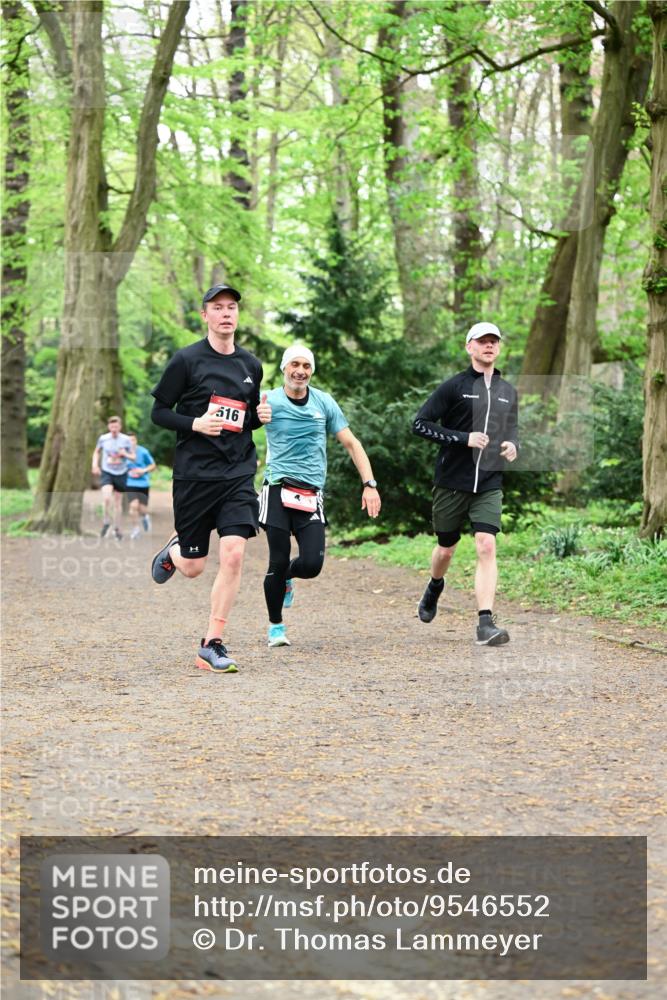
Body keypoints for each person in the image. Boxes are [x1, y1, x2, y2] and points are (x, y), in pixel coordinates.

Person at [149, 283, 272, 674]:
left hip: (236, 473)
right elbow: (159, 413)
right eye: (217, 307)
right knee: (193, 567)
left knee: (234, 553)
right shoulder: (186, 361)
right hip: (195, 475)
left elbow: (244, 419)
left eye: (231, 307)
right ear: (205, 315)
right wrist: (196, 423)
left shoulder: (250, 365)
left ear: (237, 315)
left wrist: (259, 418)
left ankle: (211, 642)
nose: (225, 313)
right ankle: (173, 552)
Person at [259, 344, 381, 648]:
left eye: (307, 366)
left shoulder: (323, 402)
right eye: (295, 365)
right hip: (276, 487)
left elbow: (352, 444)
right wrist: (254, 418)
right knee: (277, 557)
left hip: (310, 492)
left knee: (312, 563)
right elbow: (241, 431)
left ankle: (287, 576)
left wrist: (370, 483)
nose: (300, 371)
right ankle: (276, 626)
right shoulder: (269, 400)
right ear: (284, 368)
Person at [412, 322, 519, 646]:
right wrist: (463, 438)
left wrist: (513, 446)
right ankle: (434, 586)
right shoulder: (453, 387)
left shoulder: (508, 391)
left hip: (488, 481)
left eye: (494, 341)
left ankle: (485, 623)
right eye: (482, 341)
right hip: (452, 481)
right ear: (469, 347)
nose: (489, 346)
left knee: (486, 544)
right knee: (446, 548)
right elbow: (420, 424)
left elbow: (511, 431)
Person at [91, 416, 135, 539]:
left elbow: (133, 457)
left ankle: (117, 528)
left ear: (120, 427)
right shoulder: (103, 438)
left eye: (116, 426)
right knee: (106, 498)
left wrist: (124, 453)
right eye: (111, 426)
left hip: (121, 473)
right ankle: (106, 522)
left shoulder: (126, 440)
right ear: (108, 427)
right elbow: (96, 452)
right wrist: (94, 465)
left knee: (117, 502)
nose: (114, 429)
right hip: (107, 471)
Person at [125, 433, 156, 539]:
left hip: (143, 483)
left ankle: (145, 517)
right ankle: (136, 529)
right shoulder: (123, 453)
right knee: (133, 506)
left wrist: (143, 470)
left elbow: (153, 465)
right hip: (129, 483)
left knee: (142, 508)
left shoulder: (143, 451)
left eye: (132, 440)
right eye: (128, 440)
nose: (131, 442)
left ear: (136, 441)